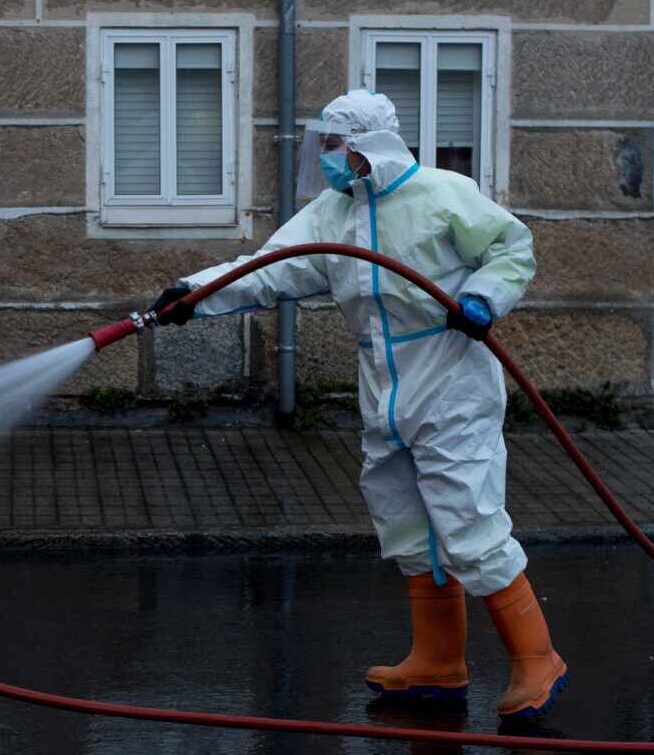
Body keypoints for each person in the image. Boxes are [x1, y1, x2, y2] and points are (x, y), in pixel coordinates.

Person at [148, 90, 567, 719]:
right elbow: (270, 269)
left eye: (334, 147)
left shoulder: (441, 195)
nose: (327, 160)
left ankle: (537, 659)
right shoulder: (332, 214)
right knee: (405, 521)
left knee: (467, 520)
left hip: (450, 376)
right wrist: (194, 294)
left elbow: (513, 247)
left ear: (368, 145)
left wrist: (482, 298)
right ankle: (439, 662)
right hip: (384, 382)